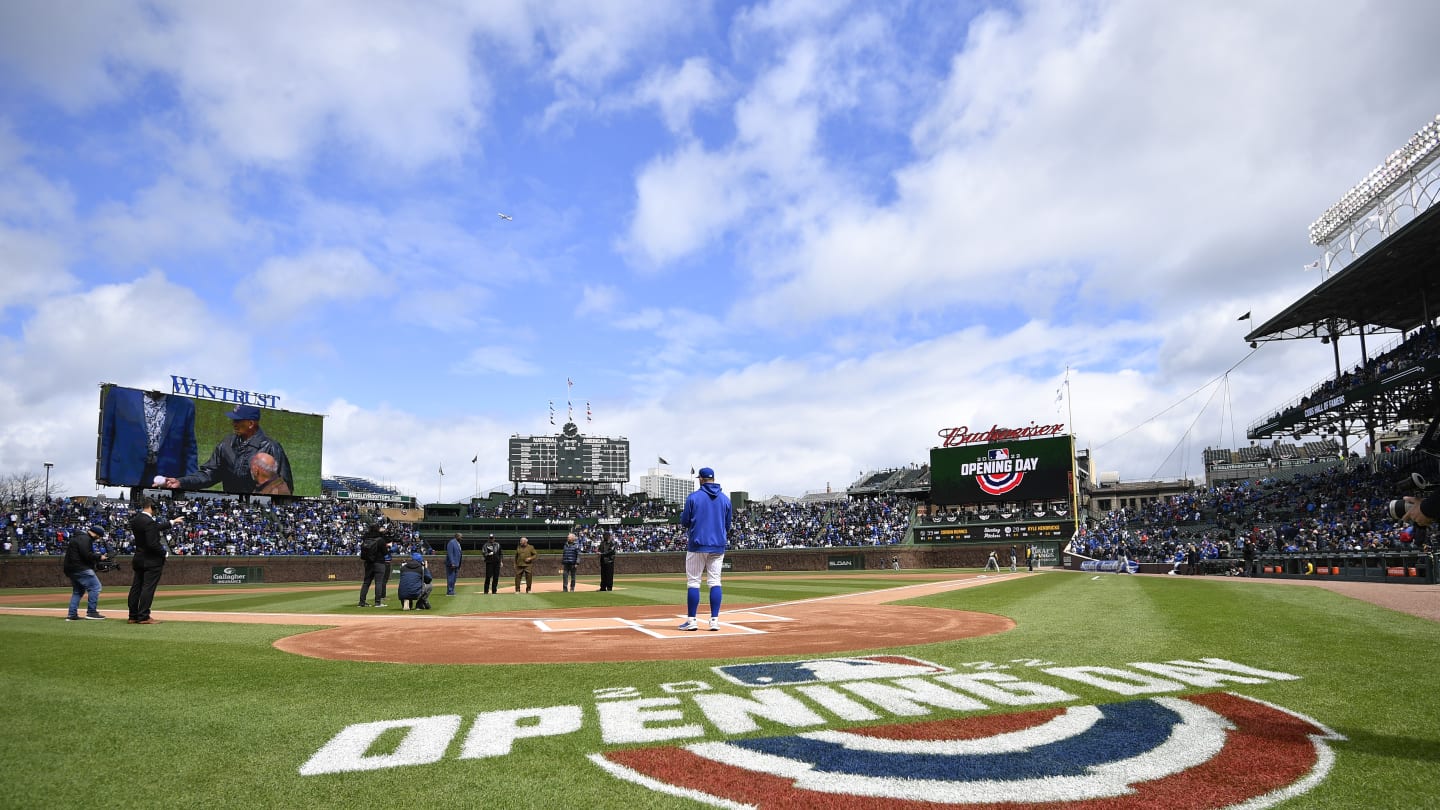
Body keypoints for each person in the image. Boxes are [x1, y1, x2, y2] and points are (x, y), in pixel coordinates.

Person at [164, 403, 292, 494]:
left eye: (238, 420)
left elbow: (285, 487)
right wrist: (181, 482)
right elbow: (209, 474)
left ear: (251, 424)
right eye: (233, 420)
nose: (233, 423)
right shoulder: (226, 444)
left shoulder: (271, 447)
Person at [98, 387, 198, 488]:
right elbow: (106, 435)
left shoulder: (185, 405)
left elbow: (189, 447)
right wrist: (102, 475)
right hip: (123, 474)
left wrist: (191, 482)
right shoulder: (119, 394)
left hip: (166, 480)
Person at [678, 467, 731, 631]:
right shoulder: (725, 499)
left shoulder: (693, 497)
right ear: (713, 479)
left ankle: (692, 620)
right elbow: (727, 525)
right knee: (715, 582)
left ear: (701, 479)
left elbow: (685, 521)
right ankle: (714, 620)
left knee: (694, 582)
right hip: (718, 545)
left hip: (698, 544)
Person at [126, 497, 183, 624]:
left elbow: (154, 528)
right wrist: (164, 553)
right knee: (148, 588)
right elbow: (152, 543)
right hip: (151, 561)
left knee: (136, 587)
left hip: (139, 558)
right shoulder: (149, 522)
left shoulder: (136, 520)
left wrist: (172, 522)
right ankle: (144, 616)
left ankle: (133, 615)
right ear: (152, 507)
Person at [64, 525, 110, 620]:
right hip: (80, 568)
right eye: (99, 535)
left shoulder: (78, 537)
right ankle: (91, 612)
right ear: (95, 533)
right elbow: (87, 555)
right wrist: (99, 557)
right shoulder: (85, 539)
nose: (99, 538)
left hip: (71, 569)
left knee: (78, 591)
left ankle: (72, 614)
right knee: (95, 587)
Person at [357, 524, 388, 607]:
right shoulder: (380, 540)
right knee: (378, 582)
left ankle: (362, 602)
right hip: (379, 563)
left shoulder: (366, 539)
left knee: (366, 583)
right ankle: (378, 602)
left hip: (368, 563)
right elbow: (385, 552)